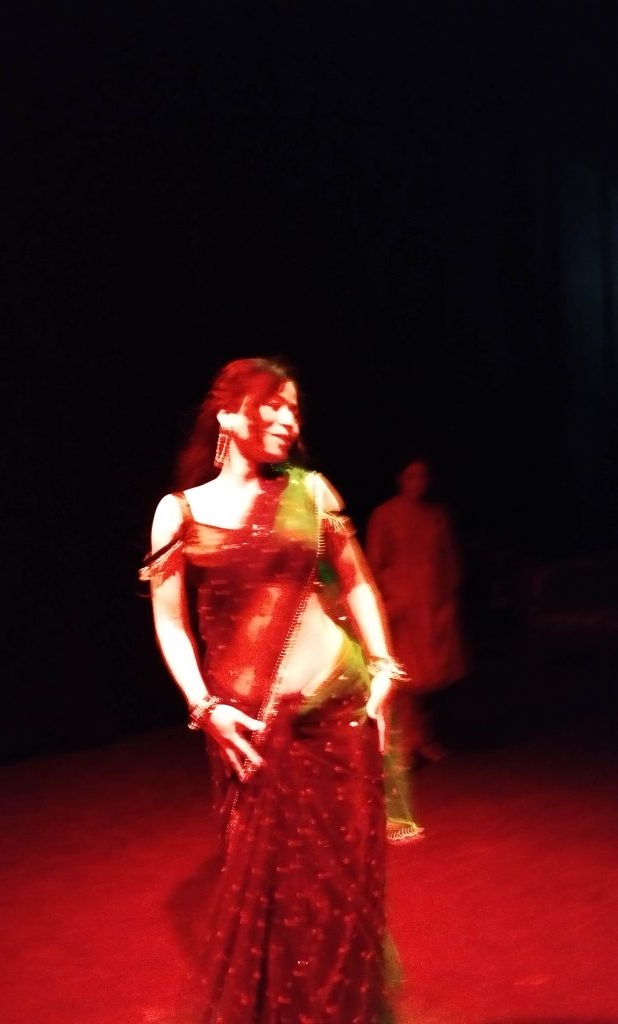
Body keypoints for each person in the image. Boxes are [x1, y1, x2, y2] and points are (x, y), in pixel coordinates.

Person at [139, 356, 422, 1024]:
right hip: (249, 730)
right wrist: (203, 707)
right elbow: (172, 624)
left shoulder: (311, 490)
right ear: (230, 414)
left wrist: (384, 667)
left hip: (342, 712)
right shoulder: (179, 513)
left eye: (294, 408)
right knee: (274, 892)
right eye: (274, 404)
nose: (289, 419)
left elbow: (355, 580)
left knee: (343, 891)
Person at [365, 452, 469, 768]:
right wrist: (382, 604)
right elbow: (373, 563)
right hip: (401, 606)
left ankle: (424, 738)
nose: (417, 483)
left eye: (422, 476)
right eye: (411, 476)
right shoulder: (385, 514)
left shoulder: (437, 515)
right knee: (405, 678)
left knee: (429, 678)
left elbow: (449, 561)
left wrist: (449, 601)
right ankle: (404, 743)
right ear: (400, 479)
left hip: (432, 604)